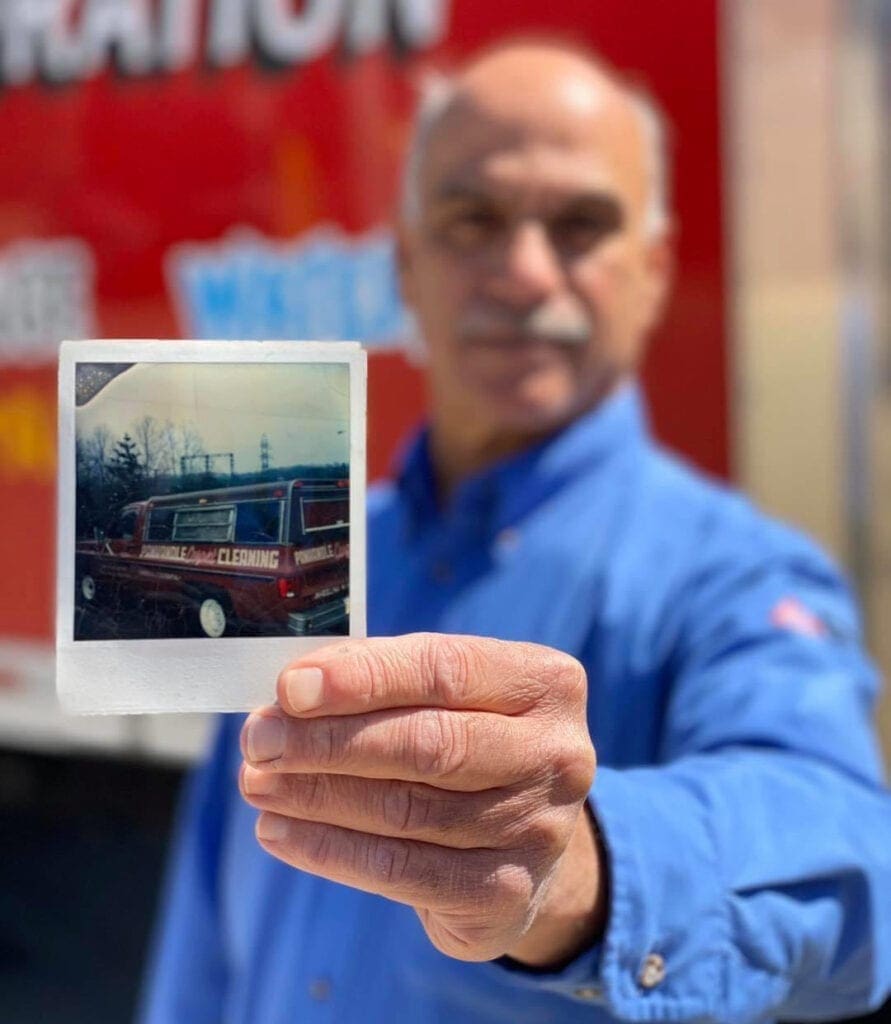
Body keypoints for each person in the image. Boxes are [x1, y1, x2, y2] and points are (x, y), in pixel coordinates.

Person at [140, 40, 891, 1023]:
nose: (525, 272)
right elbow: (206, 920)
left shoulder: (736, 575)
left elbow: (850, 864)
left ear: (654, 272)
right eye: (473, 220)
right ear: (406, 265)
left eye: (581, 225)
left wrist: (583, 866)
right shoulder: (323, 560)